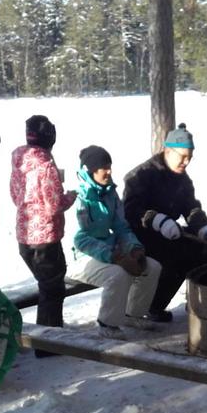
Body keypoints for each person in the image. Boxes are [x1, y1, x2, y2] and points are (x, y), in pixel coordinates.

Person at [122, 124, 207, 323]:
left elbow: (191, 207)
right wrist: (156, 220)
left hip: (167, 233)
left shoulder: (182, 179)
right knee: (174, 257)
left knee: (205, 250)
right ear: (167, 150)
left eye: (190, 157)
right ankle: (150, 305)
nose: (186, 162)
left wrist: (203, 228)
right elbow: (131, 211)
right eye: (182, 156)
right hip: (138, 236)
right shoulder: (142, 175)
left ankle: (197, 303)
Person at [69, 145, 162, 340]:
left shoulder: (110, 193)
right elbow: (80, 239)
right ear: (90, 170)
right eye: (104, 168)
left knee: (152, 267)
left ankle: (132, 314)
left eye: (110, 166)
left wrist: (134, 249)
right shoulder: (79, 198)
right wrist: (115, 256)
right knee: (118, 275)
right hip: (82, 258)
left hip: (109, 251)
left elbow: (121, 227)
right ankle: (107, 324)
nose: (109, 172)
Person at [9, 115, 76, 357]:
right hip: (45, 236)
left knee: (48, 285)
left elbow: (16, 196)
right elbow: (53, 205)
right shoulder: (45, 165)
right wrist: (70, 196)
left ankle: (48, 337)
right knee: (52, 287)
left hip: (24, 233)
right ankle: (49, 343)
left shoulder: (20, 159)